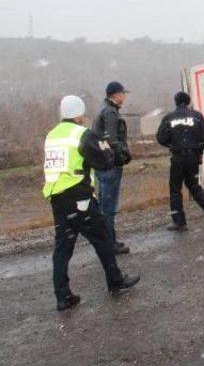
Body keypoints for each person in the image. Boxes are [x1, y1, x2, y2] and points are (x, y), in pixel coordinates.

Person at [43, 95, 140, 311]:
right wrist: (108, 152)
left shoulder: (51, 135)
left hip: (57, 198)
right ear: (79, 113)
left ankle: (63, 296)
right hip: (79, 197)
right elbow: (103, 163)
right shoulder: (82, 134)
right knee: (103, 237)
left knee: (62, 248)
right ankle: (115, 281)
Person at [156, 91, 204, 231]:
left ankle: (179, 222)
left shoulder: (169, 118)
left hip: (177, 158)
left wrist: (172, 144)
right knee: (194, 185)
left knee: (175, 189)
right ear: (188, 102)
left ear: (176, 102)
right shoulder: (197, 116)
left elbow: (160, 137)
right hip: (193, 158)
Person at [93, 81, 132, 254]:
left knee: (104, 206)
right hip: (110, 165)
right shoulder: (109, 112)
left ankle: (107, 241)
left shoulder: (104, 109)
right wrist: (122, 155)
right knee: (108, 207)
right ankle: (109, 244)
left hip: (102, 163)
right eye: (123, 93)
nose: (124, 96)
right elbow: (111, 138)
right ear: (115, 95)